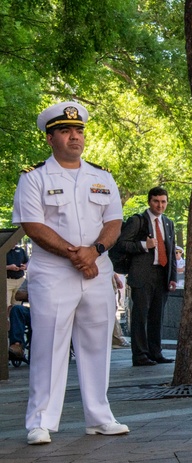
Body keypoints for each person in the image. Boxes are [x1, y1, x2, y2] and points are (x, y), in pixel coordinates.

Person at [12, 101, 130, 445]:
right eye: (65, 131)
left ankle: (99, 415)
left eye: (78, 131)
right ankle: (40, 421)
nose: (74, 137)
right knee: (50, 346)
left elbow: (113, 222)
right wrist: (75, 254)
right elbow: (33, 225)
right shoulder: (34, 178)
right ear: (50, 138)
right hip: (54, 273)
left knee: (97, 345)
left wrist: (93, 252)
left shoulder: (101, 176)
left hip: (97, 269)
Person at [118, 186, 177, 366]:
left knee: (157, 316)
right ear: (149, 201)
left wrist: (172, 276)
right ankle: (140, 355)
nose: (160, 205)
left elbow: (172, 250)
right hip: (142, 274)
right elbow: (122, 243)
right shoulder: (137, 221)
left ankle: (155, 352)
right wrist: (144, 245)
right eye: (156, 201)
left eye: (163, 202)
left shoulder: (168, 223)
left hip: (162, 274)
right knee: (140, 316)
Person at [6, 237, 28, 310]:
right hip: (7, 280)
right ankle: (6, 320)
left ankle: (15, 320)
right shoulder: (4, 250)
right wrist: (9, 267)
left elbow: (27, 262)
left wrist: (25, 266)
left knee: (17, 305)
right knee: (6, 304)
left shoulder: (21, 250)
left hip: (20, 280)